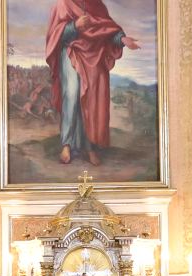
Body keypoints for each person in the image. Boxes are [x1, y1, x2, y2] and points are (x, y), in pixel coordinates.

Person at [45, 0, 141, 166]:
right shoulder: (63, 4)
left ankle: (90, 147)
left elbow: (107, 29)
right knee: (72, 93)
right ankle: (67, 144)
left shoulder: (98, 5)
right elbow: (55, 35)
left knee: (91, 99)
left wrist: (122, 39)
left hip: (93, 56)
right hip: (71, 51)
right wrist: (74, 26)